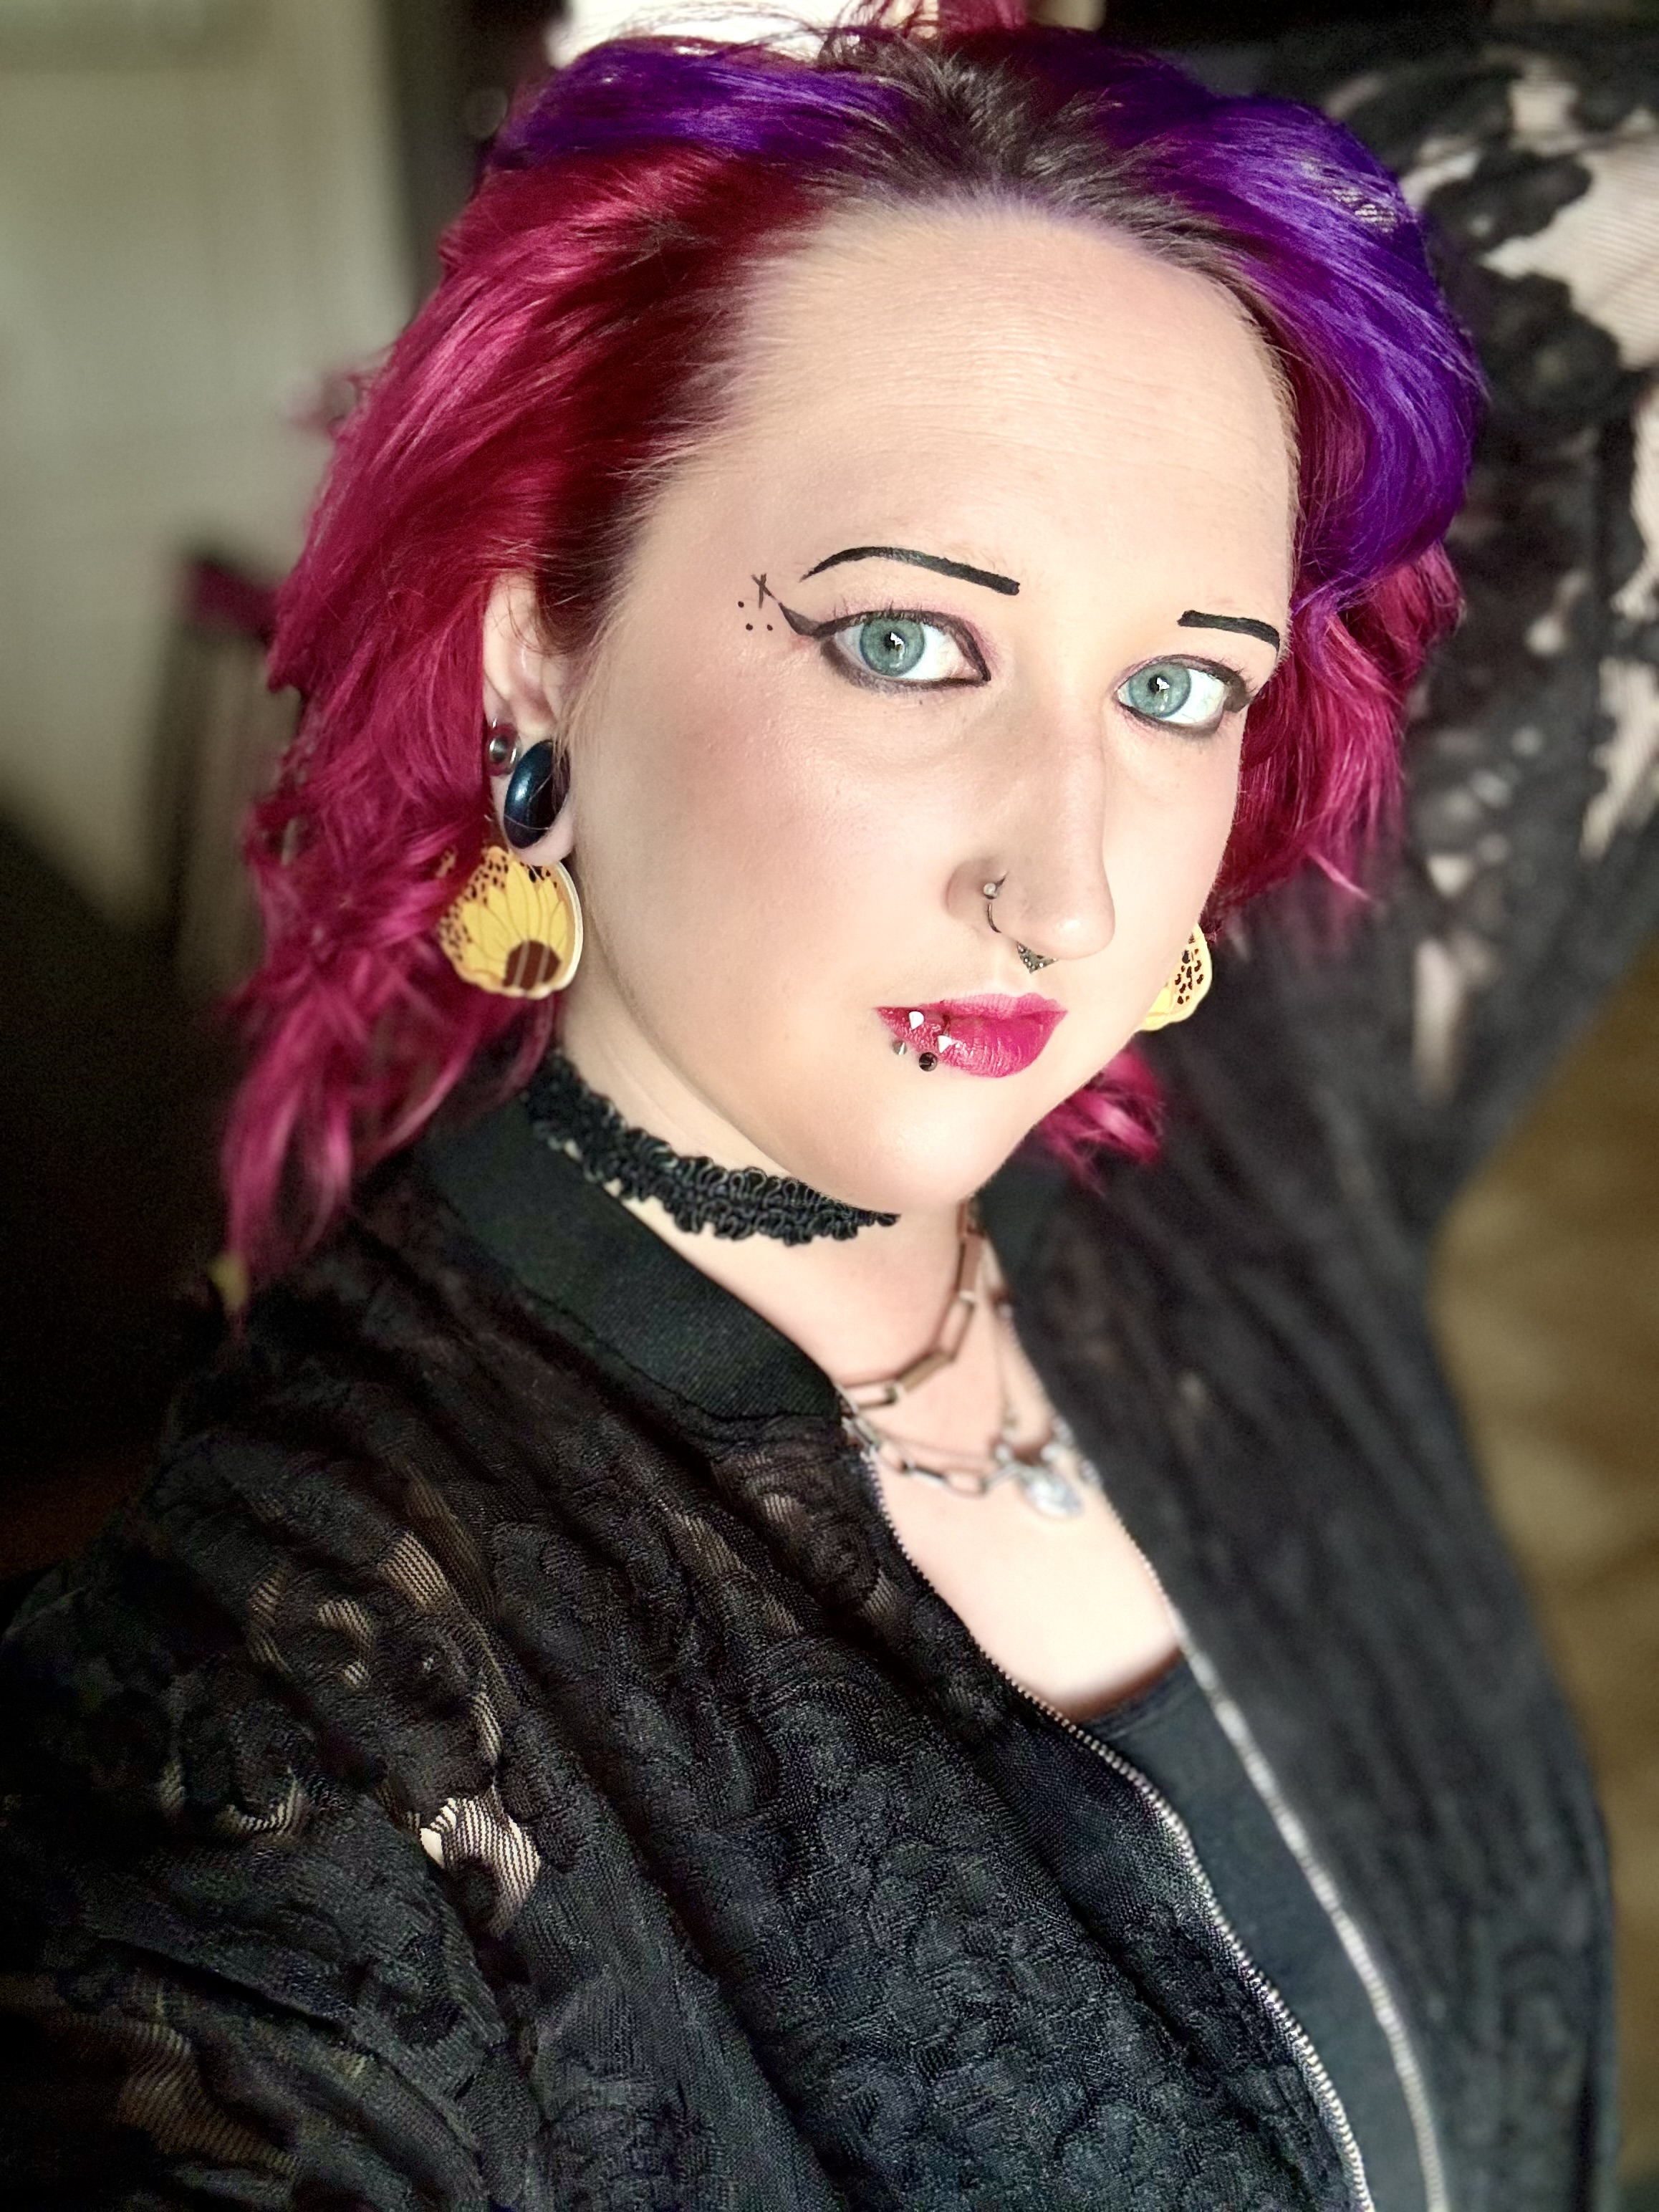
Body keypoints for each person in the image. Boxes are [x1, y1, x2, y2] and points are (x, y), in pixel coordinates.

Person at [1, 4, 1653, 2204]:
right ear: (539, 658)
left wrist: (1049, 104)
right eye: (904, 642)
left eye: (1178, 686)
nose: (1066, 892)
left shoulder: (1265, 1133)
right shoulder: (282, 1680)